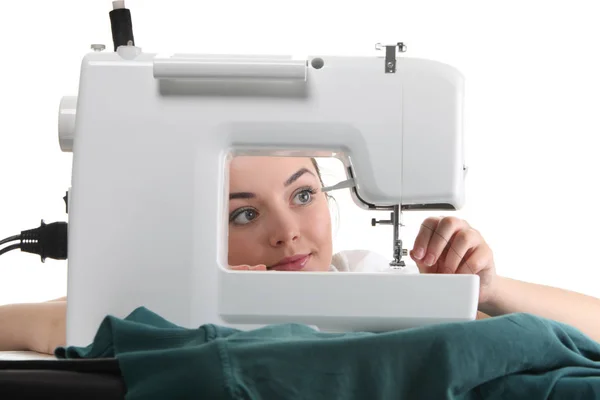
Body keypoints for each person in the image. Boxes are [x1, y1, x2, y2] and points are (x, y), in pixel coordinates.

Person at [1, 156, 600, 355]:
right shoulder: (172, 305)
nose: (289, 233)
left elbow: (589, 334)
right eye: (244, 212)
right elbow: (47, 321)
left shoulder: (371, 277)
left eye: (304, 194)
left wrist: (488, 290)